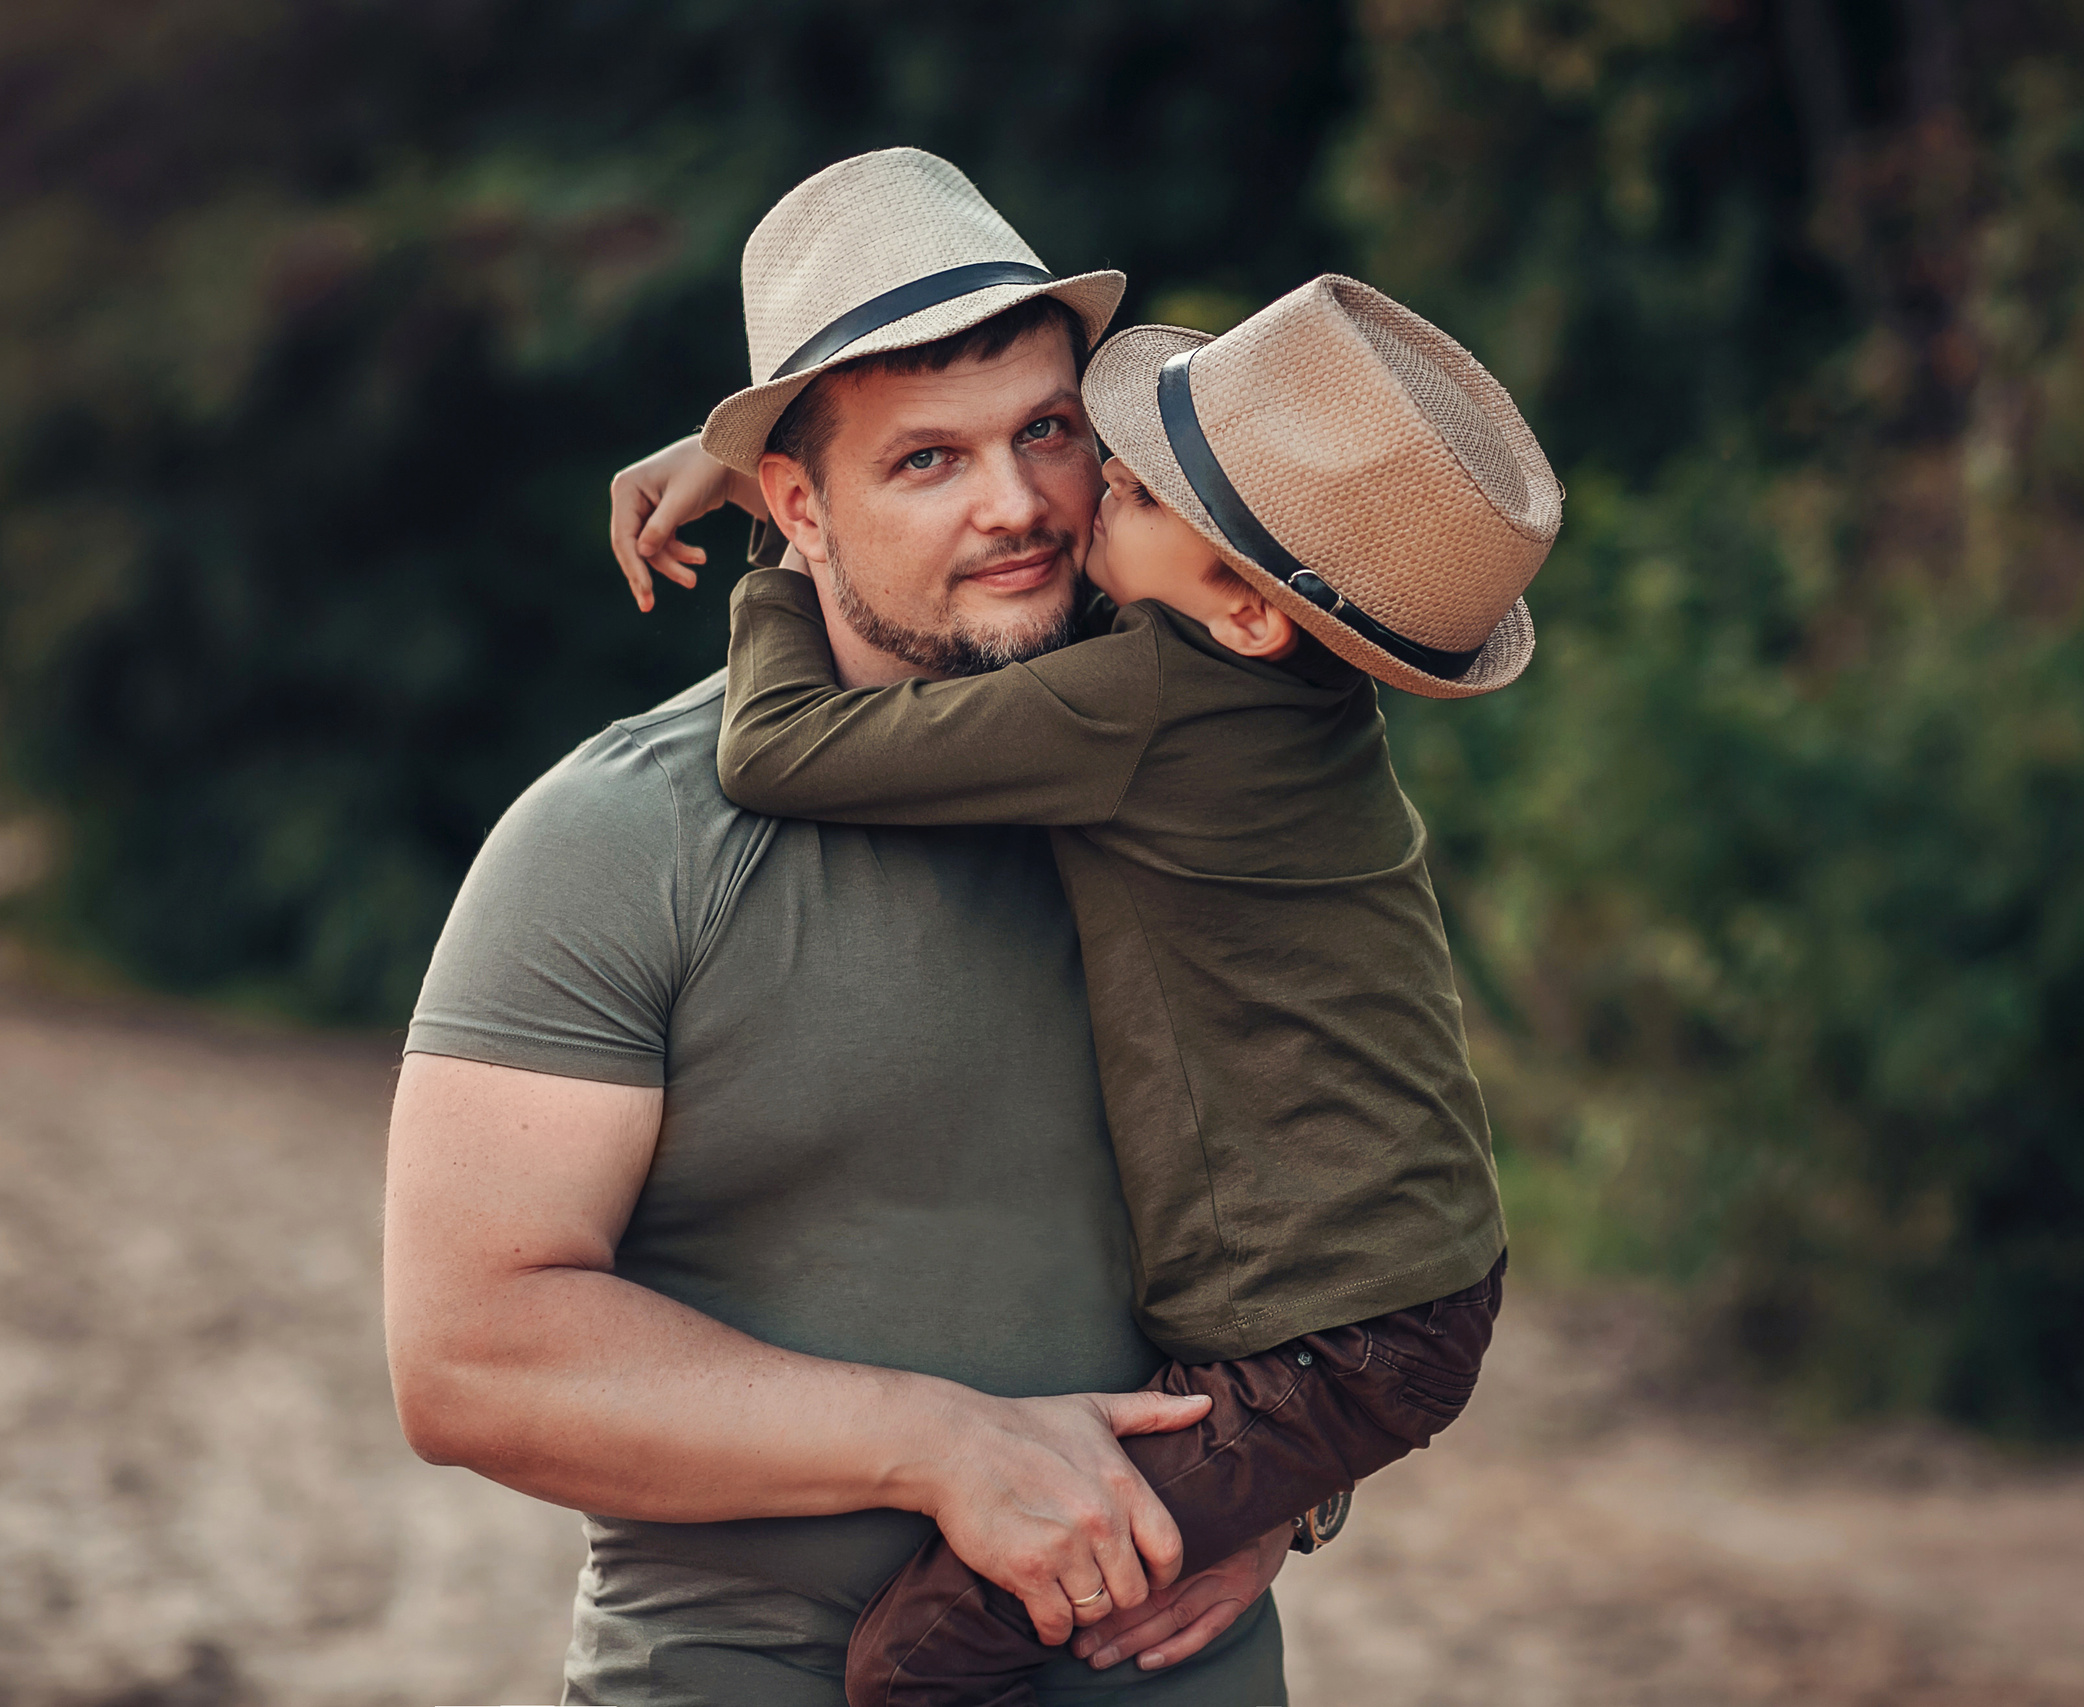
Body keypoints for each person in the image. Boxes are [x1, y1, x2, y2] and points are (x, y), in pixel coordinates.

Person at [384, 147, 1291, 1707]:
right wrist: (946, 1445)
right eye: (926, 462)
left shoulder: (1209, 779)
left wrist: (1287, 1474)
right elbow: (471, 1354)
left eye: (1046, 434)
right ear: (793, 505)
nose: (1017, 507)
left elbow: (1354, 1166)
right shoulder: (618, 838)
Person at [710, 274, 1560, 1706]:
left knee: (915, 1661)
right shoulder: (1289, 680)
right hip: (1405, 1296)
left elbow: (779, 747)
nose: (1101, 480)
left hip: (1333, 1340)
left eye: (1155, 497)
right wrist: (765, 458)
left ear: (1239, 614)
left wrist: (785, 547)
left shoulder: (1143, 706)